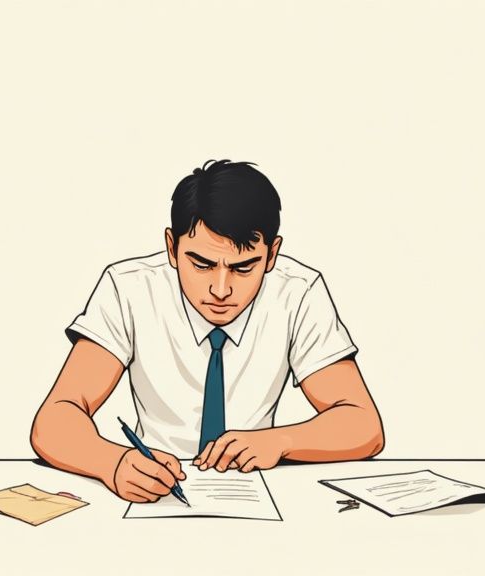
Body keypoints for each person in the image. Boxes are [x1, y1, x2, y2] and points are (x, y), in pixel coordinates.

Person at [30, 159, 384, 503]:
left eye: (244, 268)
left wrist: (279, 441)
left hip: (257, 497)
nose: (220, 289)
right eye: (201, 264)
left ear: (272, 255)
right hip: (151, 499)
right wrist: (112, 463)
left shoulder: (298, 292)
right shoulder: (129, 289)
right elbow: (55, 418)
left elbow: (363, 425)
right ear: (172, 247)